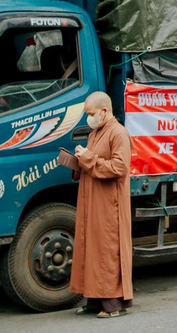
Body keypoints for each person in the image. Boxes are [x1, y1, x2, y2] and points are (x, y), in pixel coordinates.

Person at [70, 91, 134, 318]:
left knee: (107, 249)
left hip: (109, 203)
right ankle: (94, 301)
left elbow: (119, 168)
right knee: (91, 248)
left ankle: (113, 305)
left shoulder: (118, 133)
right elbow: (93, 160)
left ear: (105, 111)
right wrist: (78, 159)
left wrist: (87, 158)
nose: (89, 118)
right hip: (92, 199)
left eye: (91, 113)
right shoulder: (96, 132)